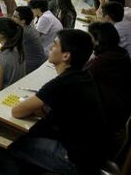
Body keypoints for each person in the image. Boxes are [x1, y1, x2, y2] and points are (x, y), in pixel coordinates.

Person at [11, 29, 108, 174]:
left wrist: (34, 106)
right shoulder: (84, 75)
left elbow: (17, 111)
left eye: (55, 45)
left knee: (11, 144)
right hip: (93, 155)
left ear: (66, 56)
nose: (50, 47)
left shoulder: (62, 83)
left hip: (74, 160)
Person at [87, 22, 131, 154]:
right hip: (119, 111)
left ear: (98, 41)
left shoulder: (102, 62)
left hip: (105, 118)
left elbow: (81, 78)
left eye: (90, 37)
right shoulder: (120, 53)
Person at [12, 6, 46, 74]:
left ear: (23, 21)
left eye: (15, 17)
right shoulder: (28, 27)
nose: (12, 18)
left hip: (32, 66)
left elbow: (10, 46)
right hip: (37, 61)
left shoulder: (24, 31)